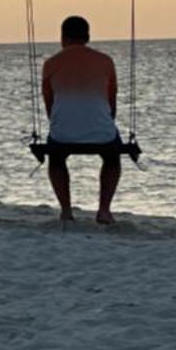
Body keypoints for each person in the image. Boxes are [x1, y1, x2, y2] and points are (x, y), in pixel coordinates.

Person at [41, 15, 122, 226]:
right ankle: (104, 210)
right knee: (112, 158)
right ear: (87, 36)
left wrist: (63, 124)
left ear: (63, 37)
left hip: (62, 134)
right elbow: (111, 103)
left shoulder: (50, 64)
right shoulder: (105, 62)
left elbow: (49, 106)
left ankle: (66, 211)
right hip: (101, 133)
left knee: (56, 159)